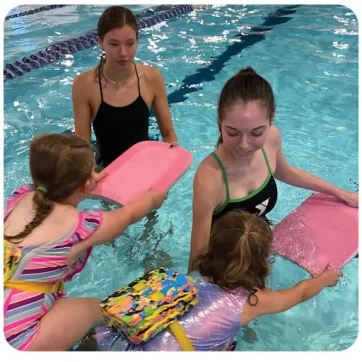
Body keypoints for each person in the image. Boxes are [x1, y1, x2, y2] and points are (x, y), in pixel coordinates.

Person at [76, 210, 340, 351]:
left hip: (109, 341)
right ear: (262, 262)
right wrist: (326, 278)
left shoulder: (191, 276)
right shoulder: (254, 301)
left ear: (214, 246)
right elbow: (301, 293)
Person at [3, 133, 167, 351]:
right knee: (96, 310)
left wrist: (84, 180)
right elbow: (127, 215)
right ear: (86, 184)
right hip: (16, 339)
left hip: (10, 307)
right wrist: (151, 199)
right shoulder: (81, 226)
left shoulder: (21, 198)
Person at [188, 66, 358, 271]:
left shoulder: (272, 139)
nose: (243, 145)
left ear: (271, 119)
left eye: (256, 133)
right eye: (232, 133)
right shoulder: (210, 178)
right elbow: (198, 257)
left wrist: (341, 193)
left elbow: (286, 172)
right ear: (219, 119)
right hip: (226, 264)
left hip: (260, 244)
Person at [72, 5, 178, 169]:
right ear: (100, 43)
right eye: (114, 44)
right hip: (105, 170)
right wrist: (92, 177)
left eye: (130, 43)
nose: (123, 53)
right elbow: (82, 148)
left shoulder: (152, 78)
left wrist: (167, 173)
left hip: (144, 166)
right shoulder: (84, 85)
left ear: (137, 40)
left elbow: (169, 136)